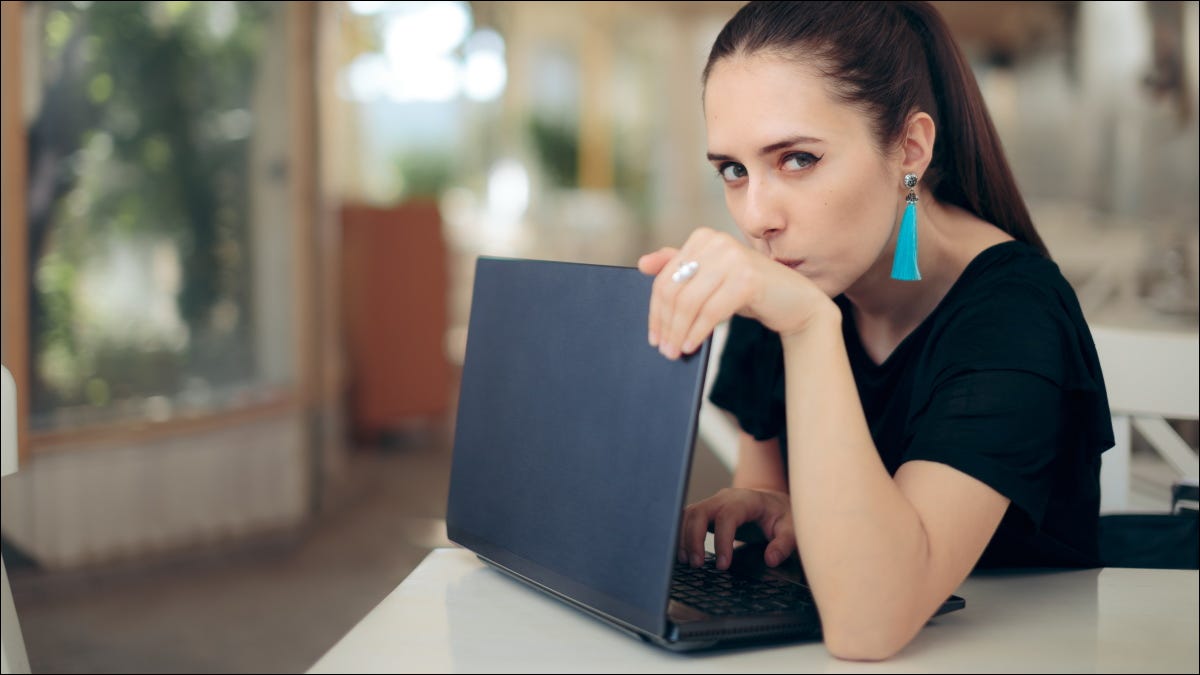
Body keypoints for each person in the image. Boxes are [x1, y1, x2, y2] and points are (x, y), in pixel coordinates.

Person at [636, 0, 1114, 661]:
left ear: (910, 149)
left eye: (798, 158)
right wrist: (769, 507)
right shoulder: (788, 277)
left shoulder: (1014, 315)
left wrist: (807, 325)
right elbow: (781, 527)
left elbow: (868, 624)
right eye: (733, 170)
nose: (757, 216)